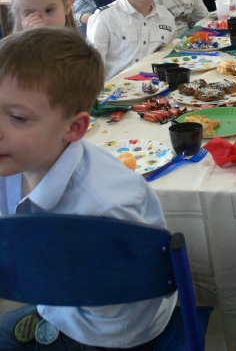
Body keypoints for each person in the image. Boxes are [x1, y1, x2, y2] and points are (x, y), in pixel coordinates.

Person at [0, 27, 177, 350]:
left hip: (104, 333)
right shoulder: (11, 161)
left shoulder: (104, 207)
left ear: (74, 127)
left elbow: (123, 302)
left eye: (18, 117)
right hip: (59, 298)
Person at [86, 0, 176, 80]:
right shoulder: (104, 18)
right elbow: (92, 69)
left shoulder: (167, 17)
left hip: (155, 87)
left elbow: (169, 58)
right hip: (114, 89)